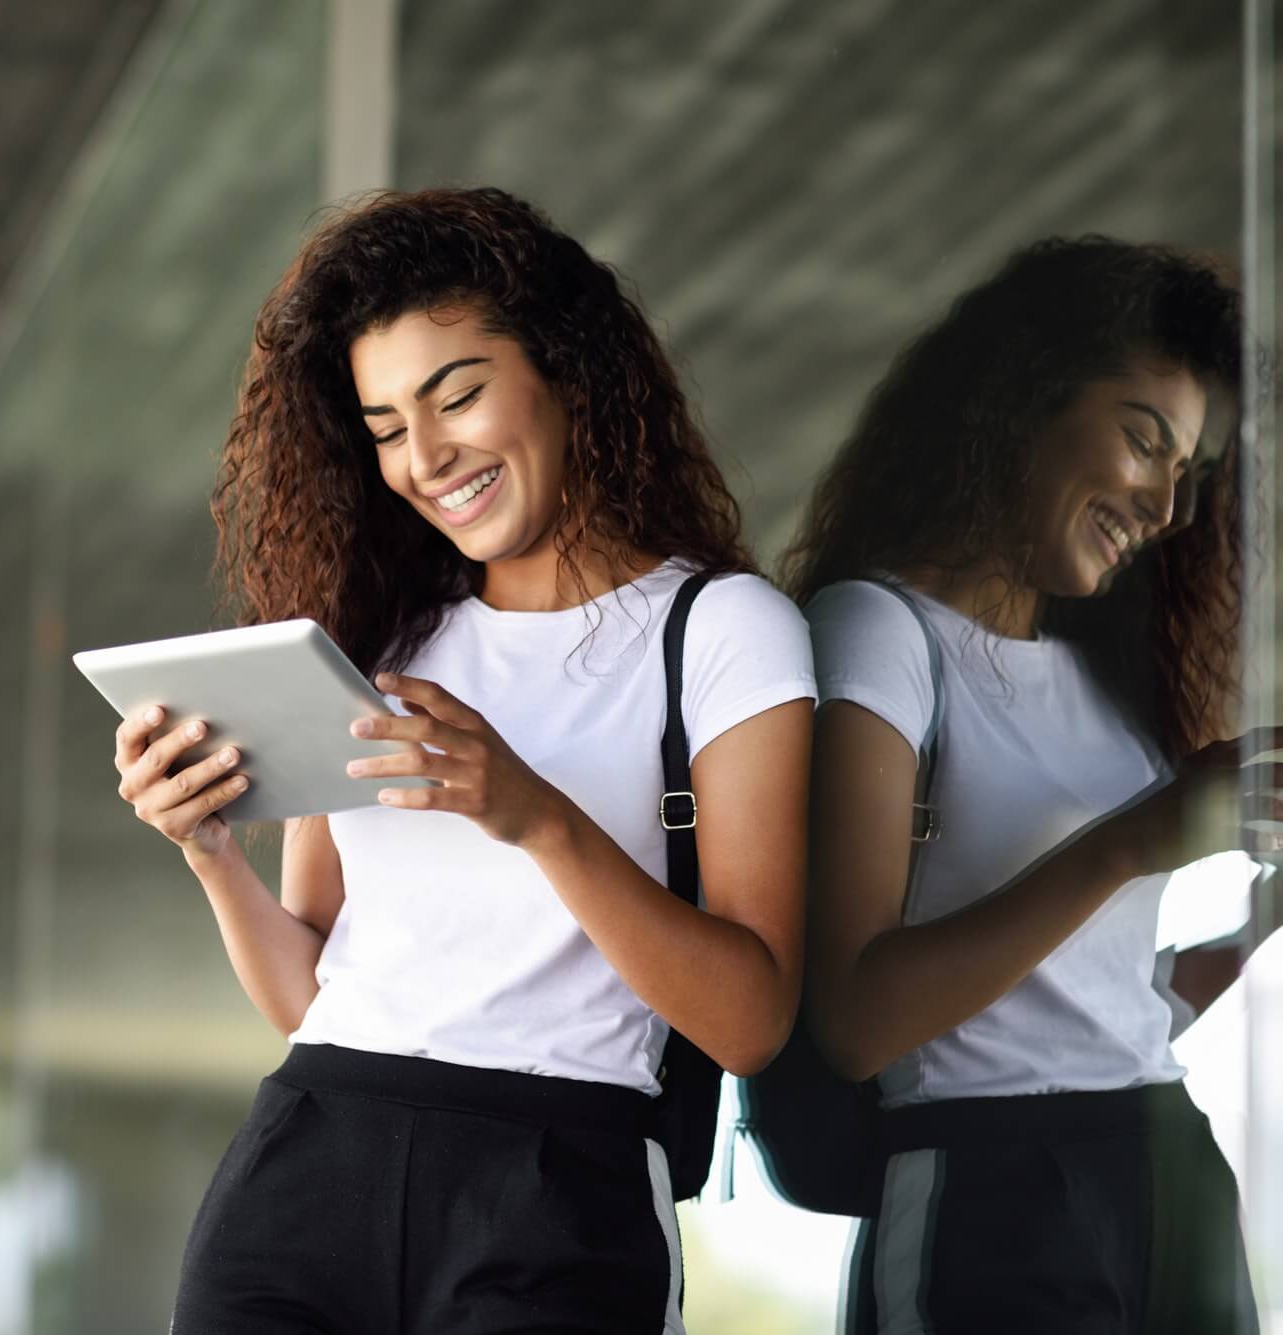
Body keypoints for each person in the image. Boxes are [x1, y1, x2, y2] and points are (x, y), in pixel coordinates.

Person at [110, 187, 815, 1335]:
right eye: (385, 428)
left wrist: (536, 816)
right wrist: (207, 855)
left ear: (568, 372)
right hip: (302, 1167)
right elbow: (311, 991)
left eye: (460, 396)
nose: (425, 457)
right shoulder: (379, 640)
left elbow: (750, 1021)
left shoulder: (725, 632)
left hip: (557, 1187)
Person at [784, 236, 1283, 1333]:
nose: (1166, 506)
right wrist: (1133, 842)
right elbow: (855, 1019)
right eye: (1143, 441)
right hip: (988, 1189)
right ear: (1019, 400)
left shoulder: (1100, 677)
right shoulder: (874, 633)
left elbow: (1106, 1012)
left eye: (1187, 471)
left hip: (1164, 1163)